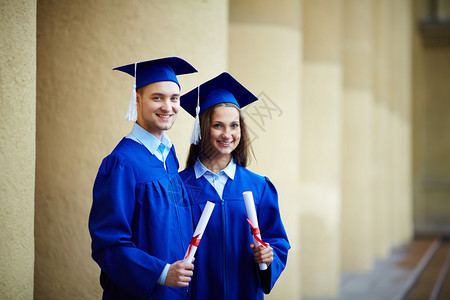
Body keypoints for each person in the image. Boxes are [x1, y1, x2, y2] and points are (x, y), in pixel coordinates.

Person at [89, 57, 198, 300]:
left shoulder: (168, 154)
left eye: (174, 98)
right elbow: (109, 244)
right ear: (137, 100)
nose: (168, 107)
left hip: (176, 292)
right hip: (140, 293)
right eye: (157, 97)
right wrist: (161, 272)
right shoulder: (121, 163)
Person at [179, 72, 290, 300]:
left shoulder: (259, 187)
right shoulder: (178, 186)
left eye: (234, 125)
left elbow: (277, 242)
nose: (227, 134)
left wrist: (269, 257)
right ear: (202, 129)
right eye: (218, 125)